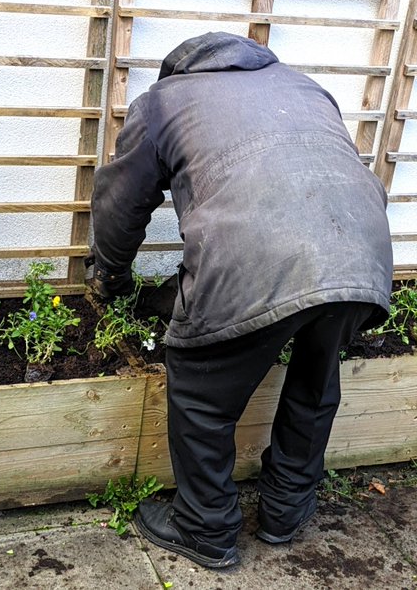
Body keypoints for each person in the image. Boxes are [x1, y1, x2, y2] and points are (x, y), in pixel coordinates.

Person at [90, 32, 393, 568]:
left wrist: (110, 276)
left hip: (254, 259)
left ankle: (204, 528)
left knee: (202, 393)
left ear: (178, 71)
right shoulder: (305, 87)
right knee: (315, 382)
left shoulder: (161, 102)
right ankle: (286, 510)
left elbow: (121, 203)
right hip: (360, 254)